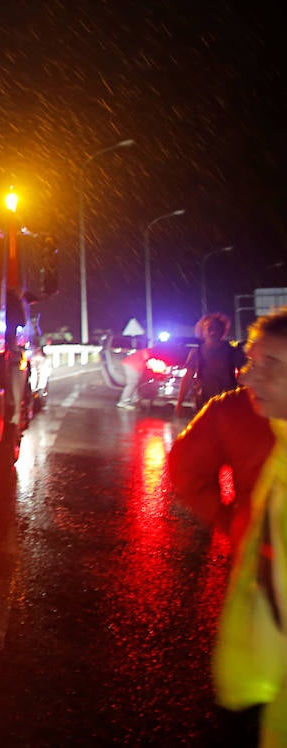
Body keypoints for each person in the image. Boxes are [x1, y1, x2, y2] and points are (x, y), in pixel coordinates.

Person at [212, 308, 287, 743]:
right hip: (257, 693)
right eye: (252, 363)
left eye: (269, 366)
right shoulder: (280, 448)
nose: (248, 378)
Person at [169, 386, 276, 547]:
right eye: (251, 363)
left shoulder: (235, 405)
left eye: (271, 361)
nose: (248, 375)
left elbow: (187, 471)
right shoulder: (234, 406)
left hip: (257, 550)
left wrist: (229, 521)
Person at [178, 312, 246, 415]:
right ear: (203, 331)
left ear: (223, 331)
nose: (213, 332)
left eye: (217, 328)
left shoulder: (233, 351)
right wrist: (180, 402)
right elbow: (188, 377)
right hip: (204, 403)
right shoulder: (197, 352)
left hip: (228, 403)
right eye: (210, 328)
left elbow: (244, 376)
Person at [116, 344, 154, 410]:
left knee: (135, 383)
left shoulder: (149, 351)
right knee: (132, 383)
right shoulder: (147, 351)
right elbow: (147, 360)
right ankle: (123, 402)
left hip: (135, 366)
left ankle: (134, 399)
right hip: (132, 365)